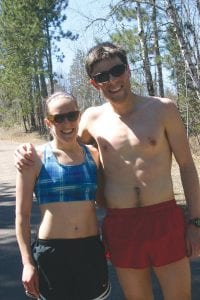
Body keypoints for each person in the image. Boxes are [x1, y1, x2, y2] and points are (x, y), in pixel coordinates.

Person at [15, 42, 200, 300]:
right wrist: (28, 151)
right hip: (121, 224)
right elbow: (62, 138)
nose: (112, 80)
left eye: (117, 70)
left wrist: (195, 222)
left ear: (128, 70)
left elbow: (187, 166)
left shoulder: (162, 109)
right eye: (102, 76)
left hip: (164, 218)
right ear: (94, 83)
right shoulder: (91, 119)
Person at [15, 92, 111, 300]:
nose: (66, 123)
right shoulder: (33, 158)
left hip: (90, 250)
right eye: (58, 118)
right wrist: (27, 263)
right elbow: (22, 216)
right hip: (52, 254)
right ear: (48, 122)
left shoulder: (94, 155)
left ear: (79, 116)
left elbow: (107, 201)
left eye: (72, 115)